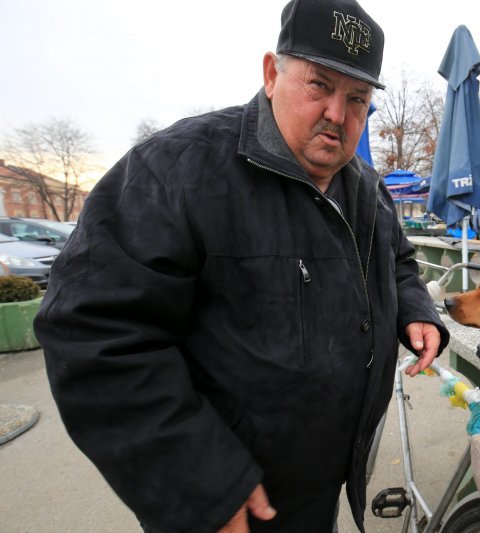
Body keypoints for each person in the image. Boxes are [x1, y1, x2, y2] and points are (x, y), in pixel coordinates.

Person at [33, 0, 449, 531]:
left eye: (358, 98)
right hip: (227, 500)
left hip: (323, 484)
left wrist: (413, 307)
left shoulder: (368, 187)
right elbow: (93, 332)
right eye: (319, 85)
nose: (337, 115)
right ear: (272, 73)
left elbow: (398, 260)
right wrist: (198, 476)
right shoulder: (175, 170)